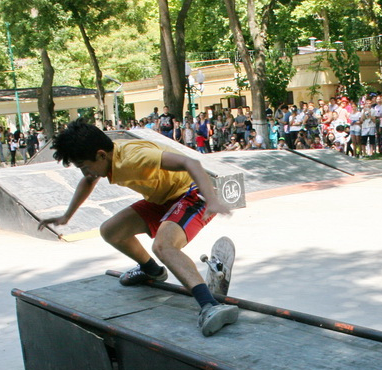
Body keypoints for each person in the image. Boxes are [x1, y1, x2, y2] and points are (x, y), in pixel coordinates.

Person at [38, 120, 237, 336]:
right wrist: (66, 216)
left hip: (192, 194)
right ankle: (151, 270)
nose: (87, 173)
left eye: (85, 166)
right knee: (110, 231)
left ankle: (210, 306)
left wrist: (212, 199)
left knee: (163, 246)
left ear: (101, 155)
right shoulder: (108, 157)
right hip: (162, 200)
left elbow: (192, 163)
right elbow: (88, 181)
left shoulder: (135, 157)